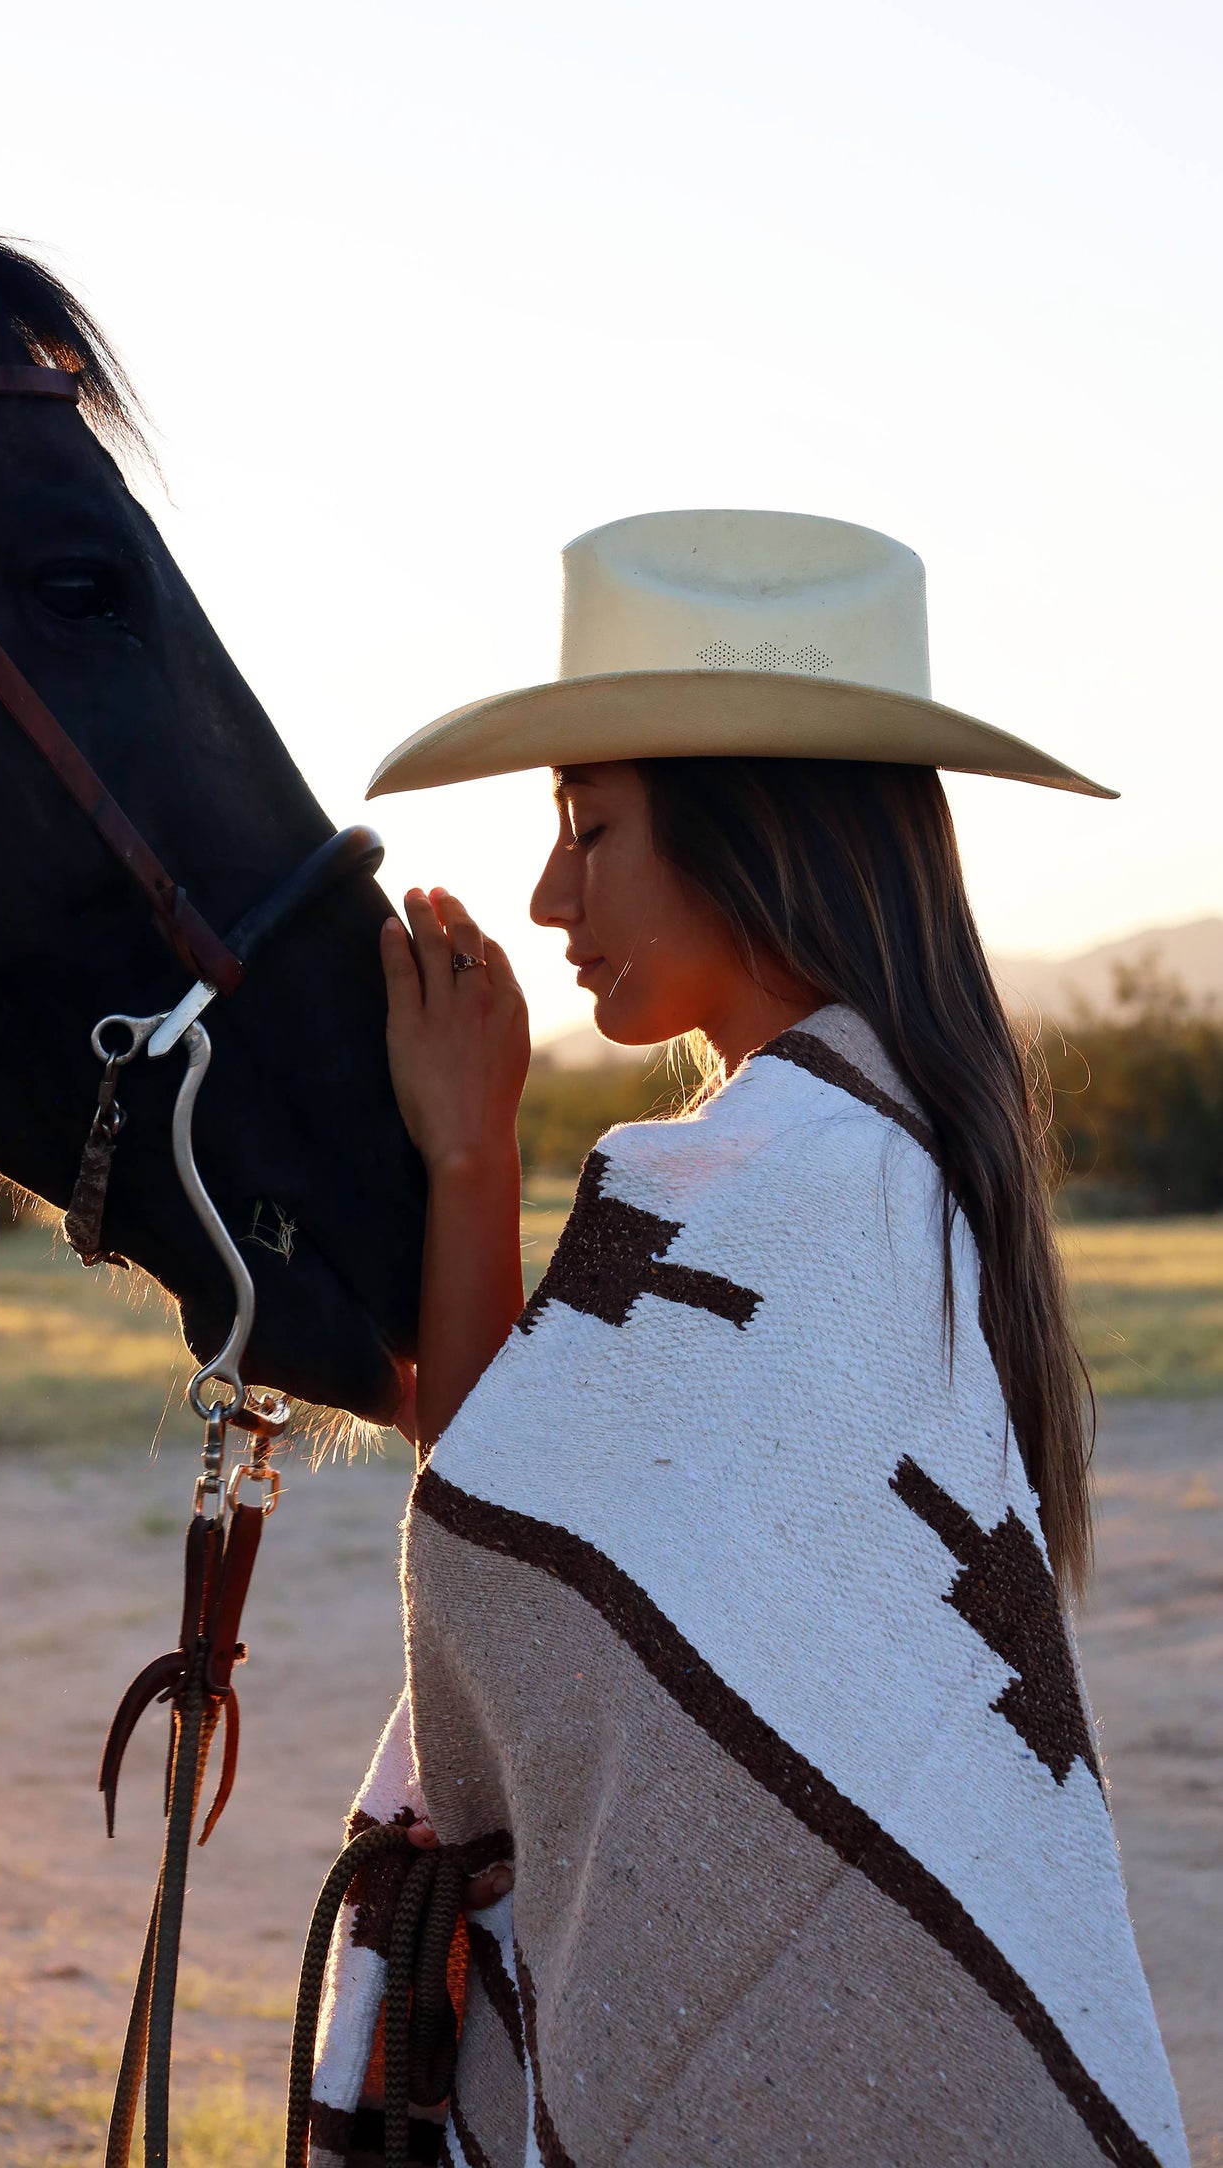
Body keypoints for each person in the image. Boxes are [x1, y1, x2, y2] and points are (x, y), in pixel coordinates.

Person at [300, 513, 1187, 2167]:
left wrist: (473, 1150)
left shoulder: (799, 1170)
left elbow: (510, 1543)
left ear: (751, 834)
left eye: (592, 828)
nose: (550, 891)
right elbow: (542, 1518)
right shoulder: (860, 1142)